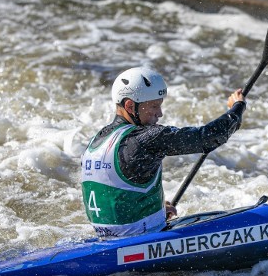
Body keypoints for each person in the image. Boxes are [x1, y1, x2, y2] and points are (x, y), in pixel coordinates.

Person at [81, 66, 246, 238]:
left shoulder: (95, 143)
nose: (159, 114)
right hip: (141, 241)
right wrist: (237, 108)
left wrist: (156, 212)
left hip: (106, 241)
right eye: (153, 106)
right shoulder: (146, 138)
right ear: (130, 105)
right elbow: (209, 137)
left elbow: (116, 195)